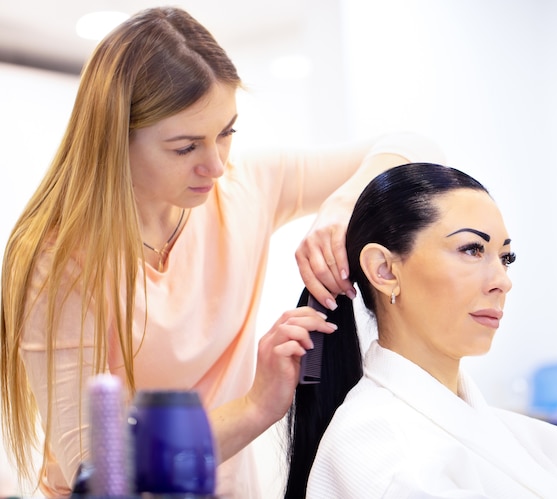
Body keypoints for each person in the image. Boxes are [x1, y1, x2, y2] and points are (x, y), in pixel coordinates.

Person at [0, 7, 445, 499]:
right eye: (185, 147)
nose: (214, 165)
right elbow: (95, 466)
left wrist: (346, 200)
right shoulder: (58, 258)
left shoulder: (244, 186)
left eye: (227, 132)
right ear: (115, 140)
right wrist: (256, 405)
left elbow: (414, 145)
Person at [284, 163, 557, 498]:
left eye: (505, 258)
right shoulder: (381, 452)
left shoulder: (543, 444)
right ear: (384, 270)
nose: (503, 281)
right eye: (472, 250)